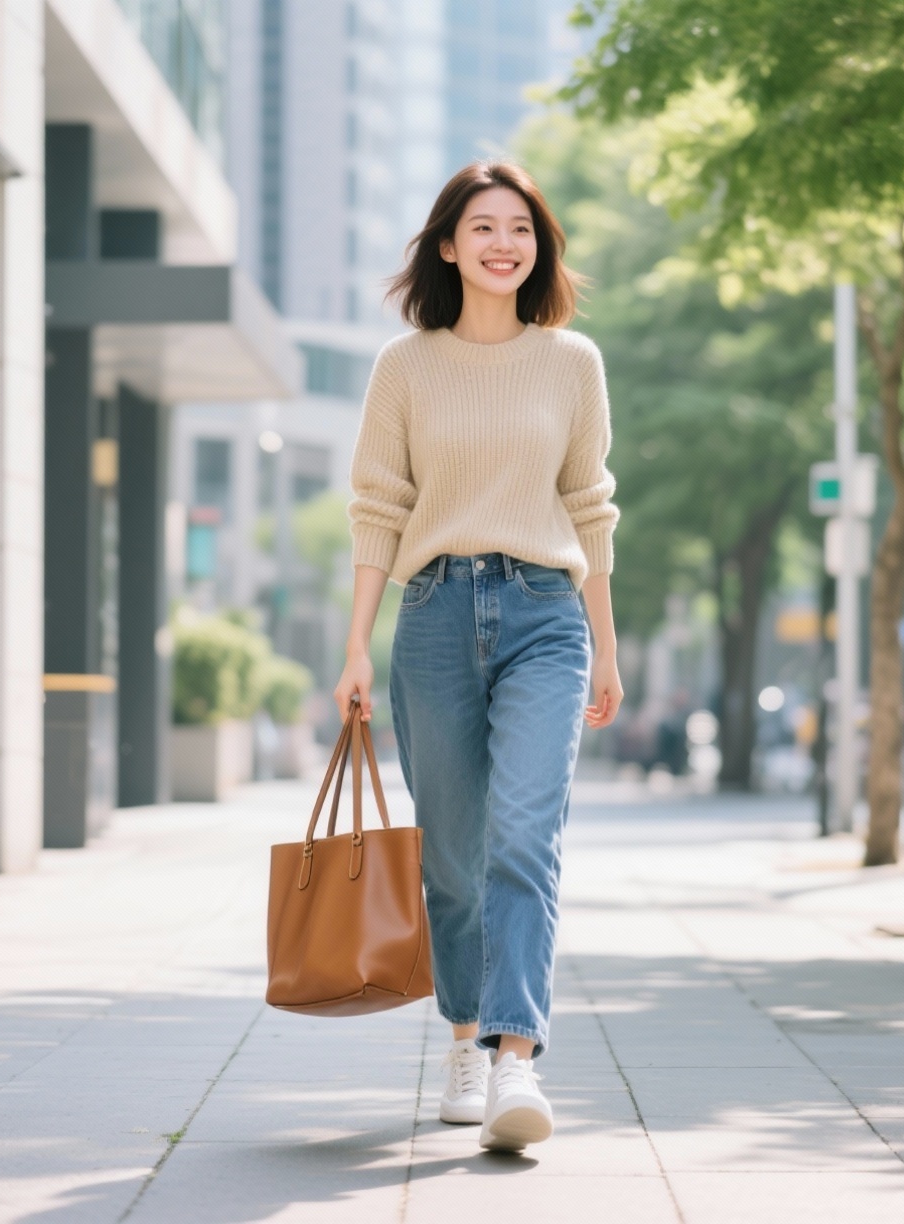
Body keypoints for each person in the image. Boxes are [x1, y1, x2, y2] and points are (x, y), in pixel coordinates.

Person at [334, 160, 622, 1153]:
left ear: (540, 248)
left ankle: (515, 1060)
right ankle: (465, 1038)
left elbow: (590, 505)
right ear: (449, 246)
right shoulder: (404, 367)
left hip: (547, 615)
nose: (505, 244)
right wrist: (356, 646)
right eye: (485, 227)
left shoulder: (573, 362)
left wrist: (608, 647)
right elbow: (379, 506)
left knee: (525, 837)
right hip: (434, 616)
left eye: (522, 229)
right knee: (452, 857)